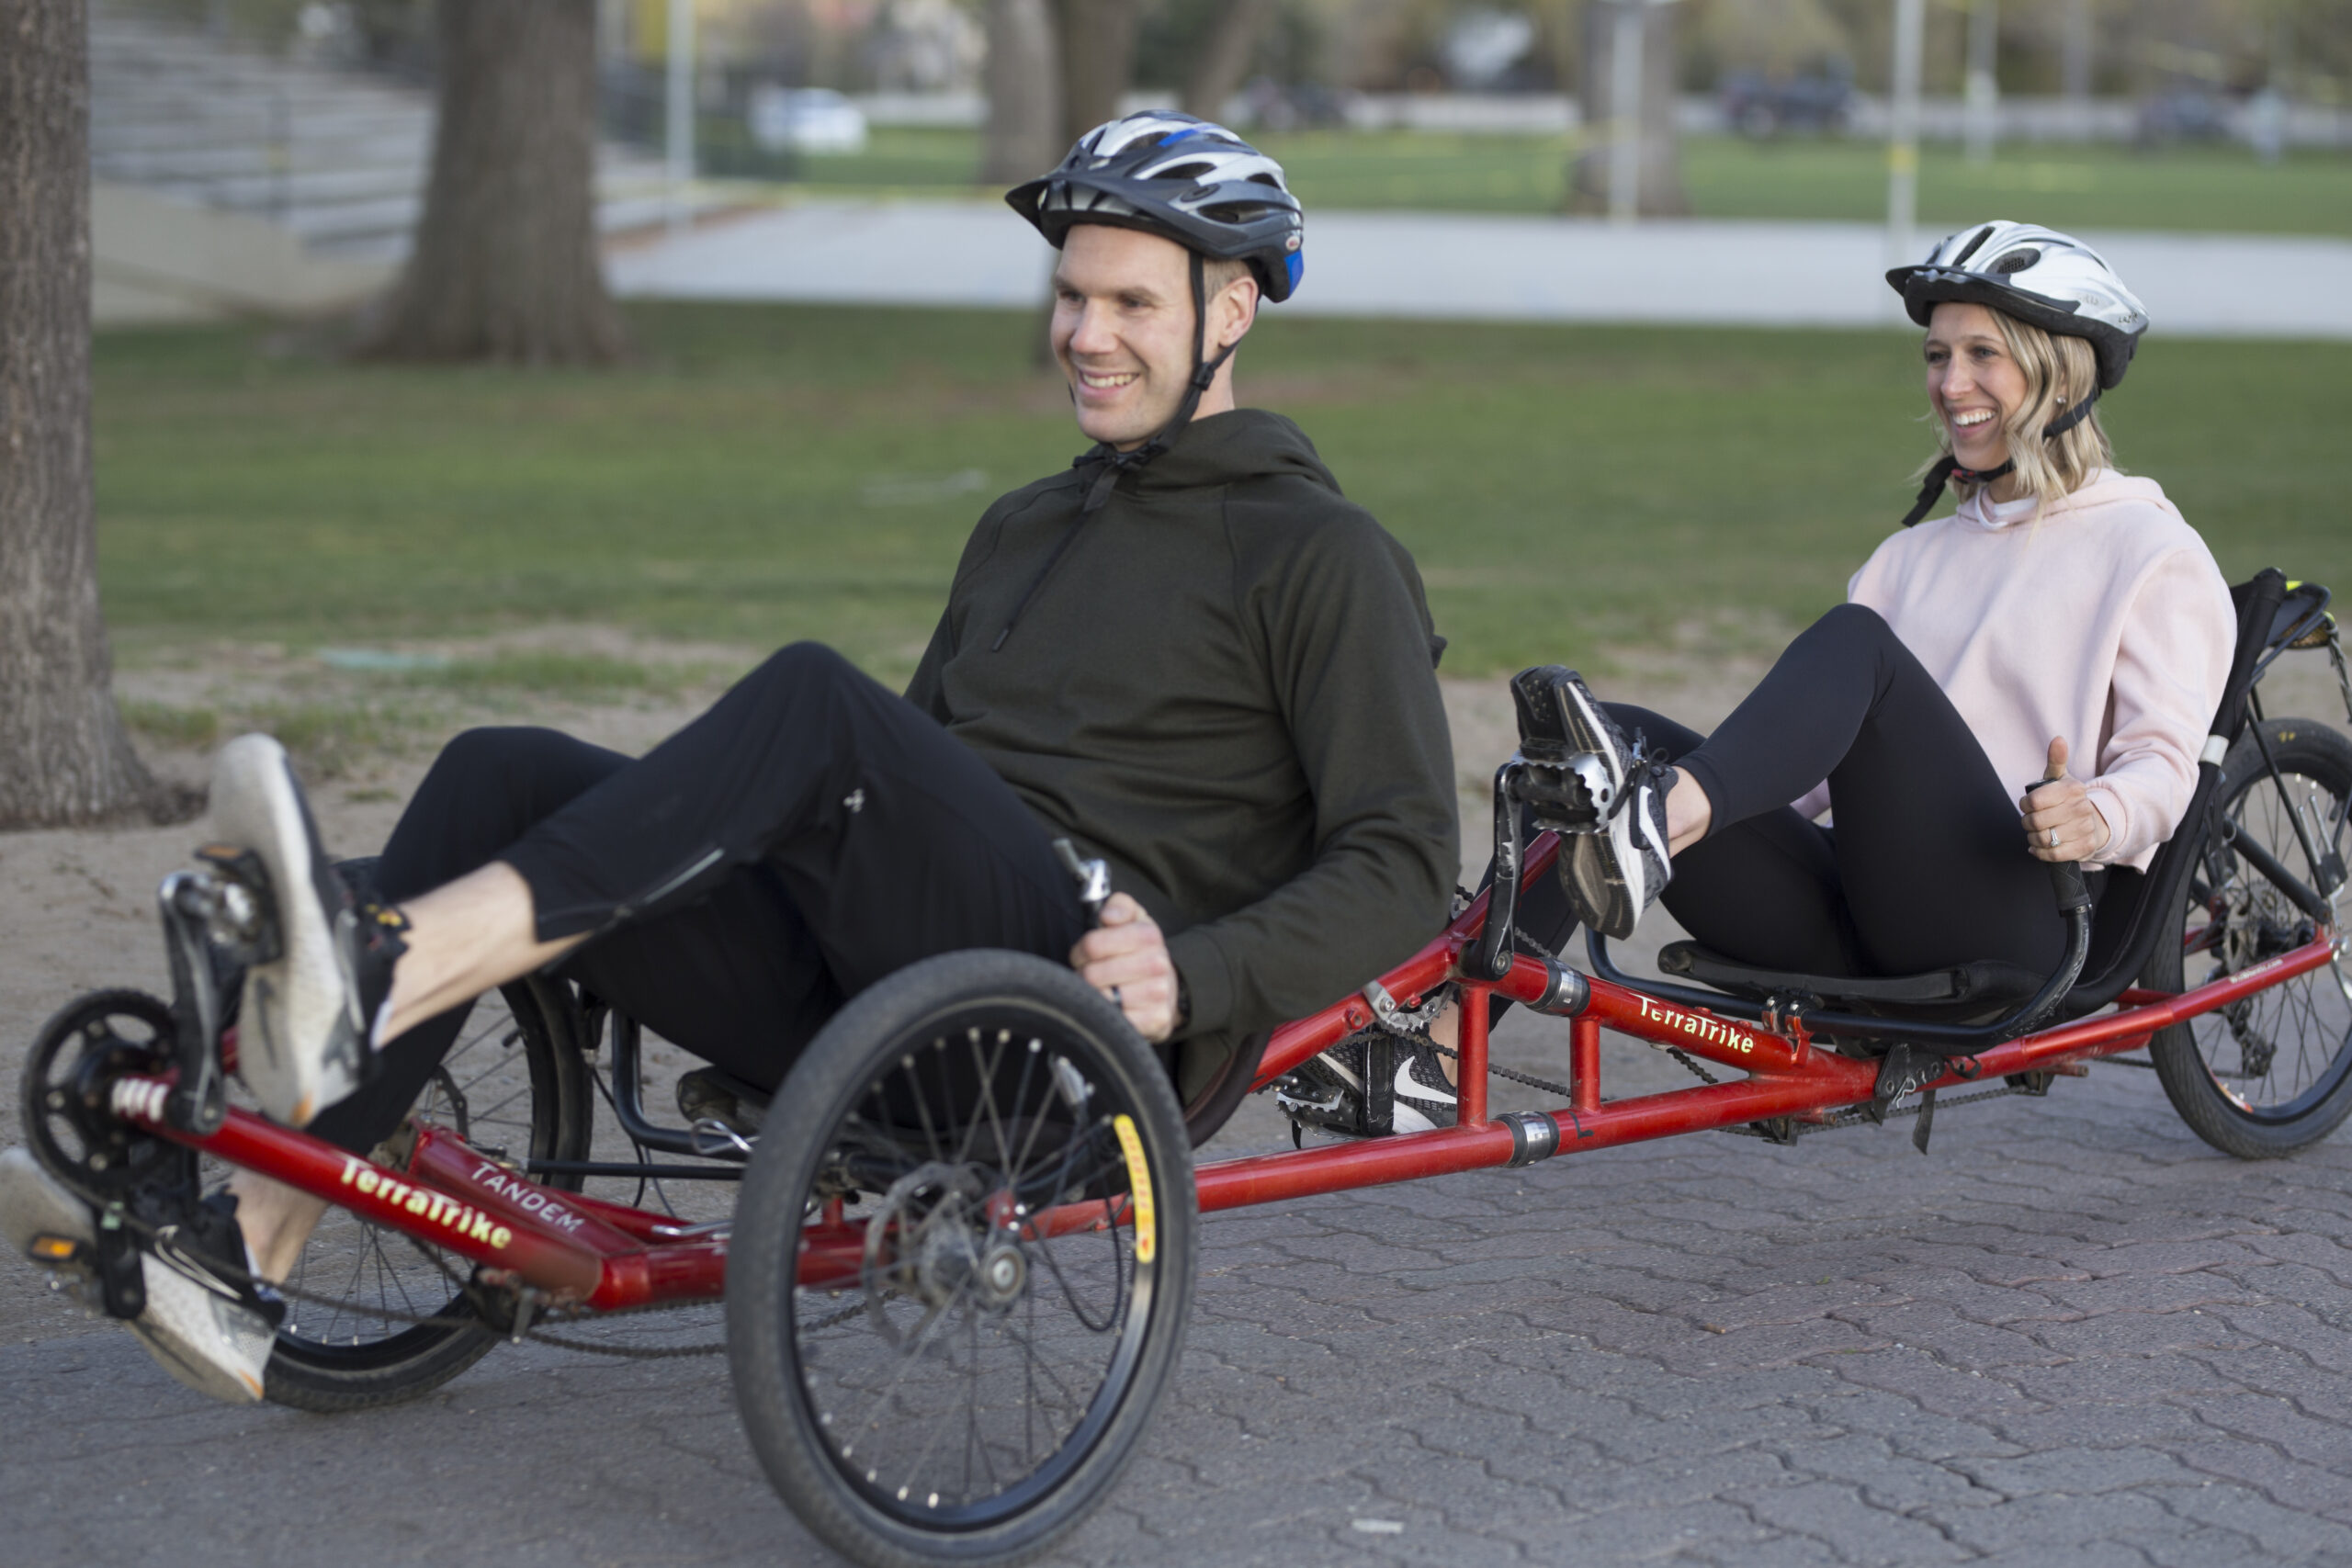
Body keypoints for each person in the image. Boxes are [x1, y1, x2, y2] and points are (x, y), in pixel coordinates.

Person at [0, 114, 1459, 1404]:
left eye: (1131, 301)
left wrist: (1192, 973)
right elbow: (896, 794)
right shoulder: (1024, 524)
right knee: (509, 767)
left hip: (1061, 1035)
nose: (1086, 332)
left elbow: (1403, 859)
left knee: (819, 706)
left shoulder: (1322, 556)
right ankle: (241, 1237)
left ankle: (368, 960)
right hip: (881, 997)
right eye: (1071, 295)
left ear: (1236, 309)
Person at [1293, 220, 2236, 1138]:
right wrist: (1690, 788)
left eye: (1982, 355)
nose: (1950, 384)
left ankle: (1648, 829)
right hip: (1867, 919)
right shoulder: (1911, 557)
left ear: (2060, 371)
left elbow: (2165, 763)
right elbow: (1820, 769)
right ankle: (1437, 1056)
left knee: (1853, 647)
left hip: (2011, 924)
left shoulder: (2147, 548)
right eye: (1936, 356)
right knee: (1607, 745)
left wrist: (2096, 816)